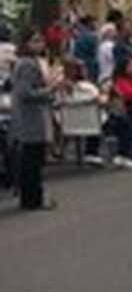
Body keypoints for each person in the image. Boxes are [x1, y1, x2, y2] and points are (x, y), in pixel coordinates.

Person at [12, 30, 64, 210]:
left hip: (31, 116)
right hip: (30, 117)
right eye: (35, 41)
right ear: (26, 43)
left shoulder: (31, 62)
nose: (40, 44)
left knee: (32, 159)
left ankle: (32, 198)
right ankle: (32, 199)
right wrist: (50, 89)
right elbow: (26, 93)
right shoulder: (27, 64)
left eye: (41, 40)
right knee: (32, 160)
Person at [71, 14, 99, 82]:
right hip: (88, 66)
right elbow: (94, 53)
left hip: (79, 64)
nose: (97, 25)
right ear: (90, 23)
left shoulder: (80, 33)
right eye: (95, 22)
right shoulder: (90, 36)